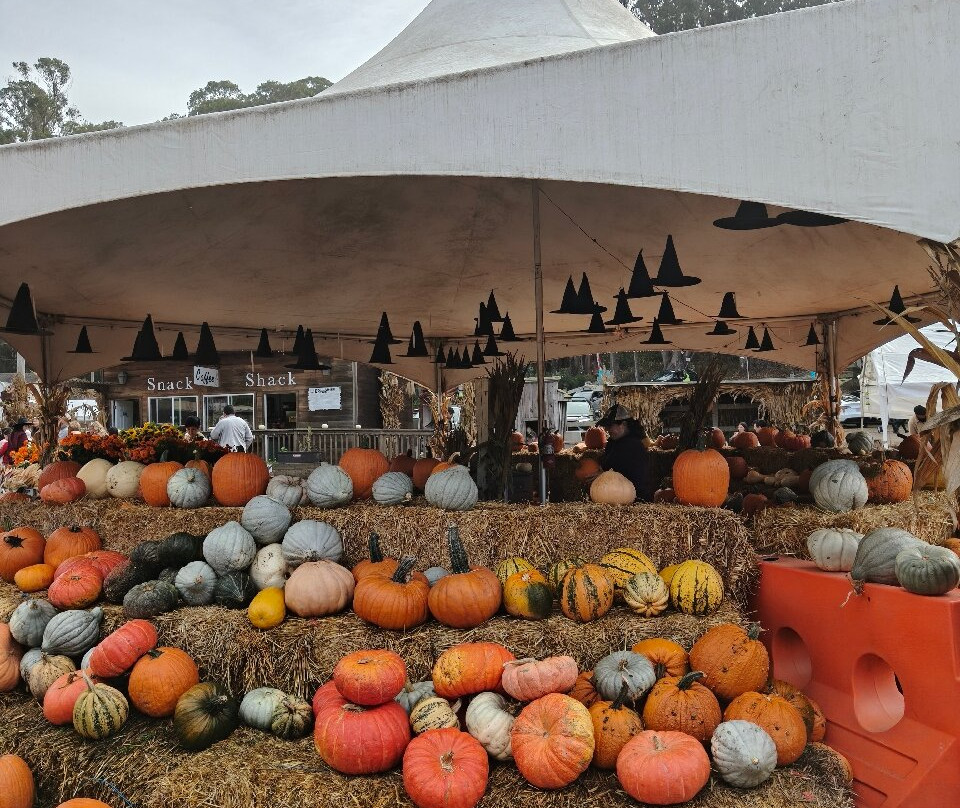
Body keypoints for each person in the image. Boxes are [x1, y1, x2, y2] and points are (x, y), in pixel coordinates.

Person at [596, 404, 651, 502]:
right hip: (612, 494)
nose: (607, 430)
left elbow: (622, 472)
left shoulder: (633, 445)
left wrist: (602, 475)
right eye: (606, 426)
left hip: (632, 498)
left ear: (624, 424)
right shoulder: (613, 442)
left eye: (610, 426)